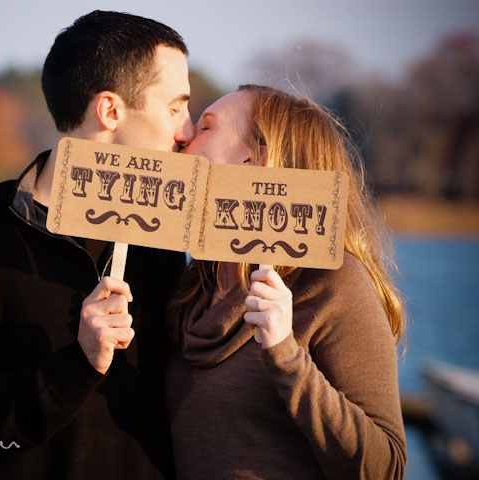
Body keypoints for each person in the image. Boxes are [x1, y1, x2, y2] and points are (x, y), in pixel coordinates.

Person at [0, 10, 193, 479]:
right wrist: (75, 366)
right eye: (175, 107)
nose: (186, 130)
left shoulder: (168, 244)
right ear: (111, 110)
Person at [165, 85, 407, 479]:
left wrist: (286, 356)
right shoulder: (192, 287)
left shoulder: (333, 283)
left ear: (257, 159)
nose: (185, 137)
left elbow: (386, 468)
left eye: (206, 128)